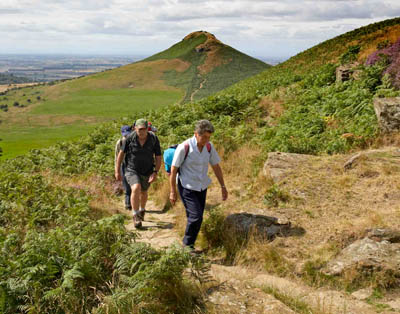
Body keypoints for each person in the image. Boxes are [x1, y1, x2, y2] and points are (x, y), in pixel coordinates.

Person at [169, 119, 228, 250]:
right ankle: (186, 245)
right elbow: (173, 170)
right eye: (204, 137)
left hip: (202, 186)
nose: (207, 140)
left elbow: (216, 166)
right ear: (196, 134)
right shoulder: (184, 147)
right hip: (186, 186)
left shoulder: (209, 147)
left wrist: (223, 186)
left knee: (197, 217)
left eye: (209, 137)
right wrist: (172, 191)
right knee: (196, 217)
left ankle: (189, 245)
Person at [115, 118, 162, 228]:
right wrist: (117, 170)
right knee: (136, 188)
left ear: (147, 129)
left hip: (148, 170)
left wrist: (155, 172)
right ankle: (135, 215)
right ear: (135, 129)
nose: (141, 132)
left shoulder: (153, 139)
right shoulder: (129, 138)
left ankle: (142, 209)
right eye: (139, 129)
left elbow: (158, 157)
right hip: (131, 169)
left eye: (143, 129)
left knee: (144, 192)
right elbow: (121, 154)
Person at [114, 125, 132, 210]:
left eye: (127, 134)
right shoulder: (120, 142)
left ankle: (133, 203)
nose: (126, 136)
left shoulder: (134, 140)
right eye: (124, 134)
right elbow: (117, 157)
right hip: (124, 165)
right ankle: (128, 204)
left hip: (134, 165)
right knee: (127, 186)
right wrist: (116, 171)